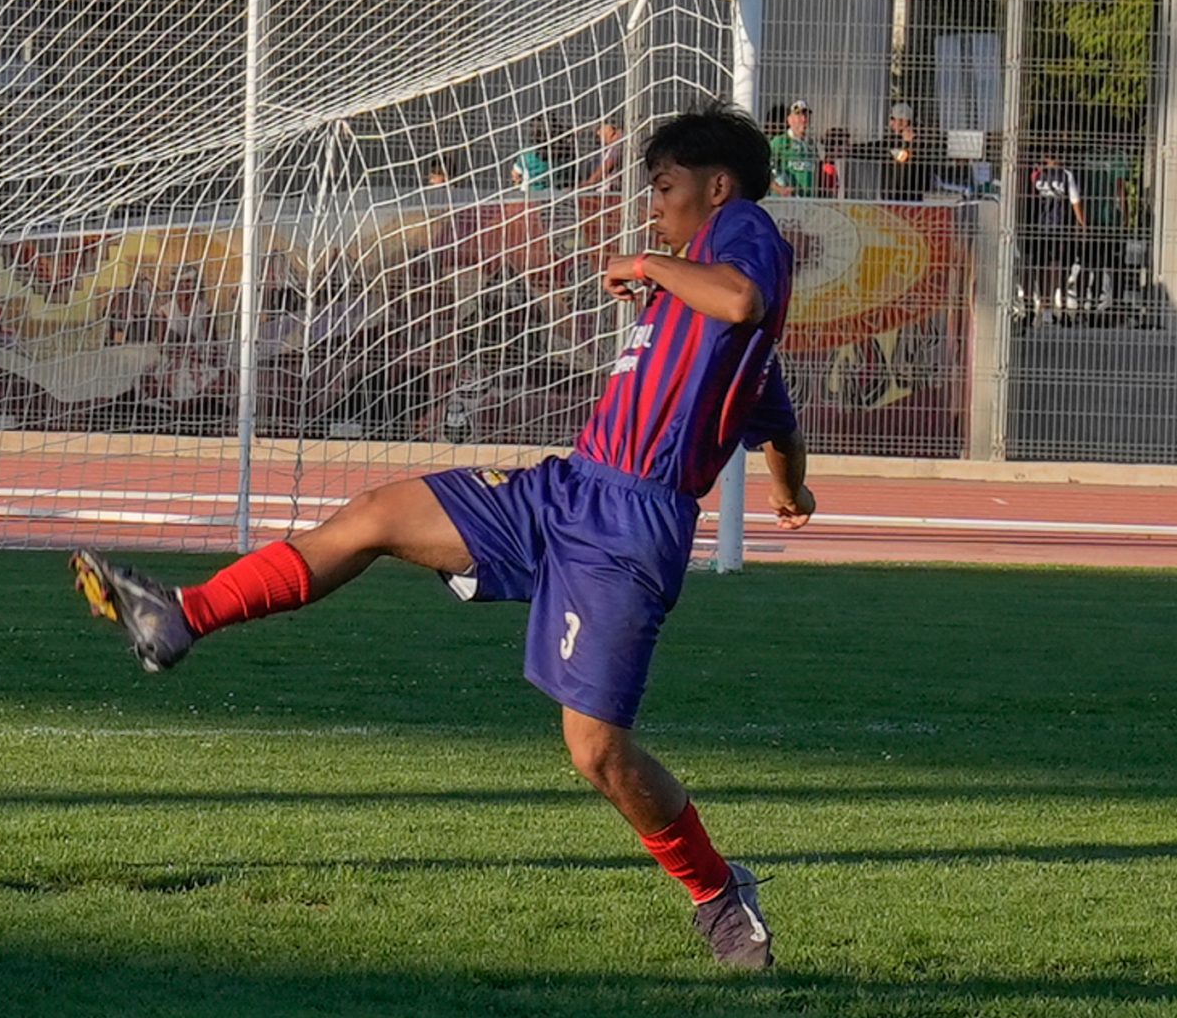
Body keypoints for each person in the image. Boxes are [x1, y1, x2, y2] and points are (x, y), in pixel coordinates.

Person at [71, 104, 815, 971]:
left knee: (595, 750)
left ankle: (718, 894)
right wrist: (790, 491)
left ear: (717, 188)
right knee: (377, 514)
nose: (653, 206)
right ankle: (183, 615)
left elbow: (742, 298)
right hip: (567, 490)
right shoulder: (702, 304)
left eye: (664, 186)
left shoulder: (743, 234)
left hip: (629, 525)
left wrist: (647, 264)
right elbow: (774, 413)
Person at [1025, 145, 1088, 324]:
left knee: (1042, 268)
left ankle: (1044, 308)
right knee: (1059, 268)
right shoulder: (1066, 175)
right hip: (1060, 228)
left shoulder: (1037, 175)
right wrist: (1083, 225)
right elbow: (1075, 202)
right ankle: (1060, 306)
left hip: (1040, 228)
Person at [769, 100, 823, 197]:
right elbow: (763, 169)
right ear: (789, 119)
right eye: (798, 115)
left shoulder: (811, 145)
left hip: (808, 201)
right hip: (784, 201)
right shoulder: (779, 142)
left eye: (806, 115)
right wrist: (779, 189)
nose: (803, 119)